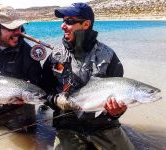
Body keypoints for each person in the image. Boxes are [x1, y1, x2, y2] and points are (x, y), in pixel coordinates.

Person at [41, 2, 135, 150]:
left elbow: (120, 96)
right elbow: (43, 91)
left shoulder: (109, 57)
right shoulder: (54, 57)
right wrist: (56, 100)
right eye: (63, 21)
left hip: (104, 126)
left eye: (69, 21)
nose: (63, 26)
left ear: (86, 24)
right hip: (67, 126)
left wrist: (116, 113)